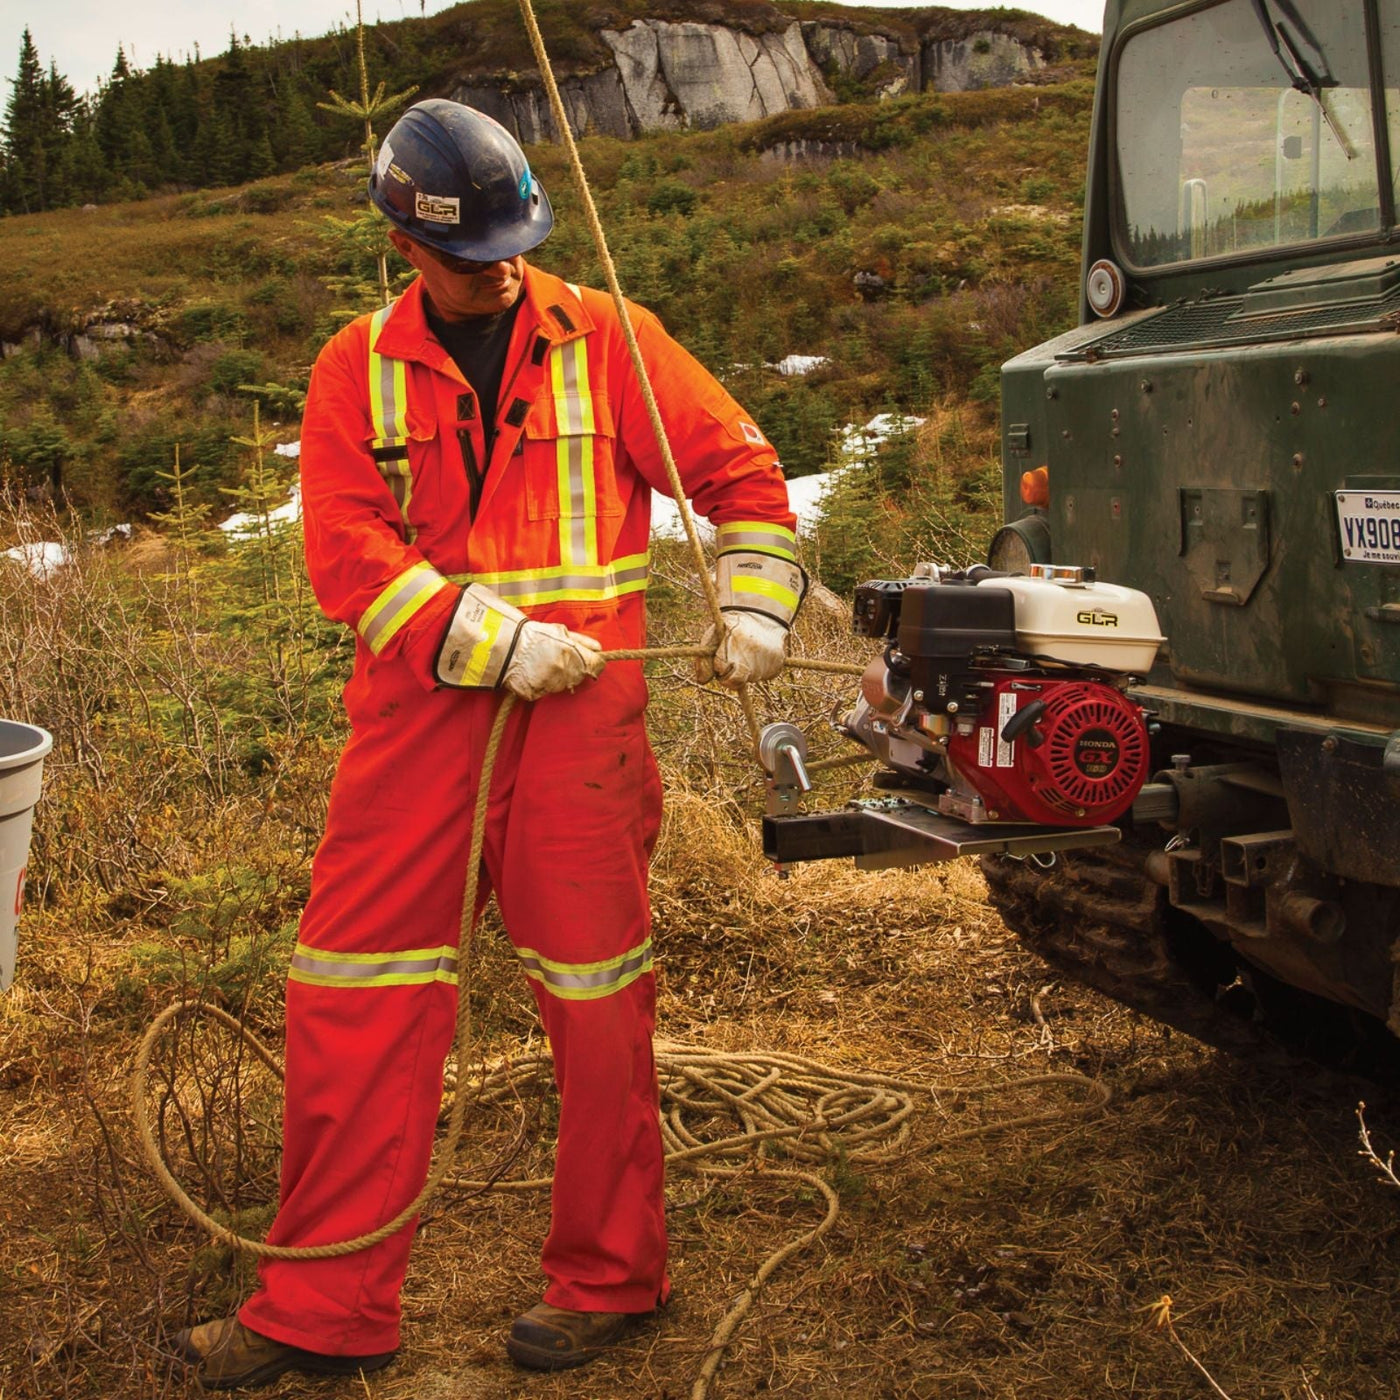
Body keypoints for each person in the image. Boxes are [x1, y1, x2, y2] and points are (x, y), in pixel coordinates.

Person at [174, 98, 805, 1390]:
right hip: (418, 728)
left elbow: (744, 480)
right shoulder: (357, 365)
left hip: (581, 733)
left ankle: (611, 1280)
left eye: (517, 241)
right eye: (474, 252)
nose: (503, 267)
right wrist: (481, 635)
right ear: (410, 244)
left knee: (595, 1003)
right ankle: (321, 1314)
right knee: (356, 1001)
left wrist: (753, 602)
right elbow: (346, 551)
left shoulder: (614, 336)